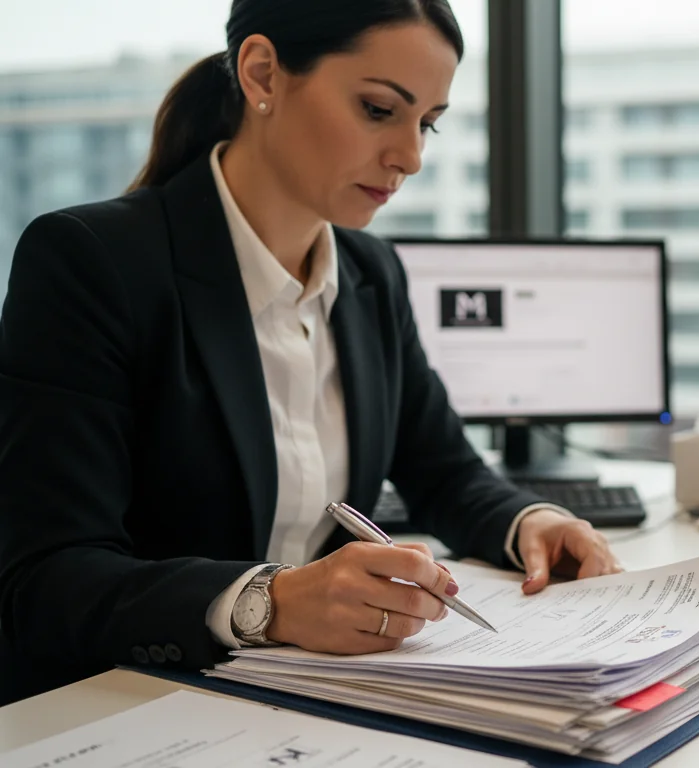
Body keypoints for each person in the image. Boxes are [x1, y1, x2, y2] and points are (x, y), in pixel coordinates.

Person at [0, 0, 622, 706]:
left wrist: (531, 523)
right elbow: (45, 577)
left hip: (307, 701)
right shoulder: (93, 262)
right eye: (380, 109)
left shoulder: (368, 273)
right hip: (126, 702)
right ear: (263, 73)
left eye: (428, 123)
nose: (411, 157)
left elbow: (444, 472)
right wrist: (272, 602)